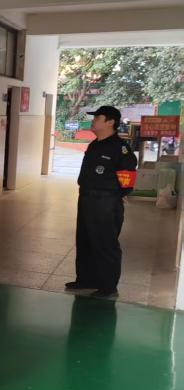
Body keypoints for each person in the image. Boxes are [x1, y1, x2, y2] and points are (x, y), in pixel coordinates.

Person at [65, 105, 138, 298]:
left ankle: (108, 286)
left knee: (105, 243)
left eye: (98, 117)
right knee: (85, 240)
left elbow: (128, 177)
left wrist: (117, 195)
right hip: (86, 198)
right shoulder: (95, 144)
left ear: (110, 122)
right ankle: (86, 279)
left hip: (105, 201)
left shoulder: (120, 148)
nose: (94, 120)